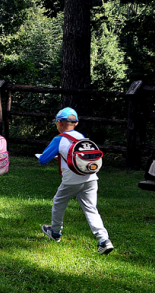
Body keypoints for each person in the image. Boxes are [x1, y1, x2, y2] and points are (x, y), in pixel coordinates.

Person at [38, 107, 114, 254]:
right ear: (76, 123)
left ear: (59, 123)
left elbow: (42, 160)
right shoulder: (82, 137)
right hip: (91, 177)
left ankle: (55, 232)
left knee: (58, 202)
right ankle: (104, 240)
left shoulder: (58, 139)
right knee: (91, 209)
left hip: (71, 180)